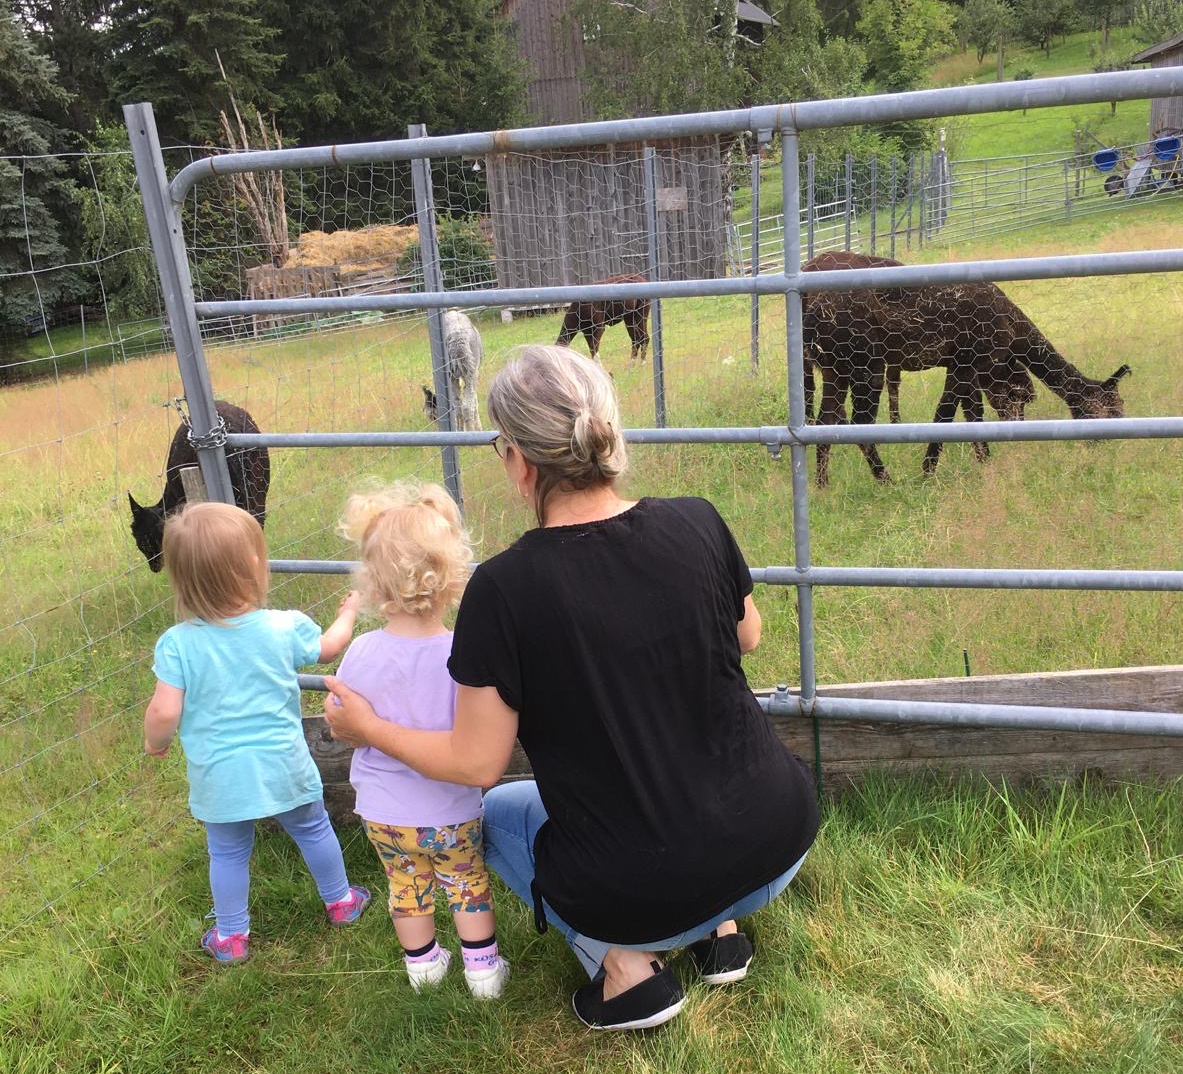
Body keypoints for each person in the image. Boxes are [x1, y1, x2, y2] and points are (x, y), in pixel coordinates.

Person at [324, 346, 820, 1031]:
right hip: (778, 838)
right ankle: (722, 933)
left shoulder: (503, 590)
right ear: (606, 434)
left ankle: (626, 971)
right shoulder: (698, 520)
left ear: (521, 461)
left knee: (493, 811)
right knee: (685, 778)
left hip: (643, 888)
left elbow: (475, 763)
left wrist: (368, 730)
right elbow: (748, 635)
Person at [143, 501, 370, 963]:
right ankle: (341, 902)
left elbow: (165, 711)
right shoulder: (282, 627)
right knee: (312, 827)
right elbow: (329, 649)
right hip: (283, 763)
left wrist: (155, 742)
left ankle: (231, 936)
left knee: (226, 852)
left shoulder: (178, 644)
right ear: (253, 568)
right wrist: (348, 612)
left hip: (219, 775)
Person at [334, 481, 508, 998]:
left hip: (385, 812)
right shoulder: (462, 654)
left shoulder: (361, 652)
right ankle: (483, 974)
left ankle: (424, 969)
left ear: (373, 582)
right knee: (466, 882)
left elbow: (342, 715)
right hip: (451, 808)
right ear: (452, 577)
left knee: (406, 886)